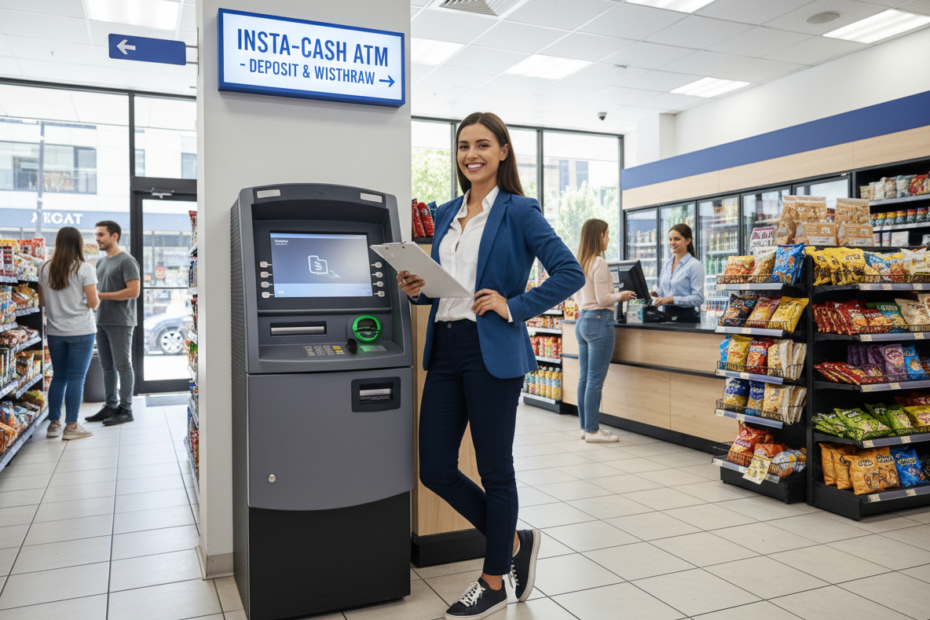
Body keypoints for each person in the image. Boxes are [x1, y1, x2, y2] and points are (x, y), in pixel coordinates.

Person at [398, 112, 584, 620]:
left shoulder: (520, 211)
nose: (471, 154)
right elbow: (446, 291)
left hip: (493, 353)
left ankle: (493, 579)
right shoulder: (444, 213)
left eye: (482, 144)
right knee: (435, 467)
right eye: (463, 146)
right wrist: (419, 290)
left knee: (495, 468)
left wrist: (513, 304)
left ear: (503, 151)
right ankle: (515, 542)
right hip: (446, 347)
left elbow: (570, 271)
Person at [574, 219, 635, 443]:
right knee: (595, 380)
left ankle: (585, 427)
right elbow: (603, 299)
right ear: (598, 236)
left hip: (582, 321)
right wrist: (622, 295)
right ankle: (592, 431)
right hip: (599, 321)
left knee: (584, 378)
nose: (608, 238)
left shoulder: (580, 262)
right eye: (607, 234)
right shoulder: (599, 262)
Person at [38, 227, 99, 440]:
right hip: (81, 331)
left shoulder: (45, 268)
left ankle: (53, 424)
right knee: (76, 378)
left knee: (59, 377)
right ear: (78, 244)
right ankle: (71, 427)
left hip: (55, 331)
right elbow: (93, 302)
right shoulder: (84, 269)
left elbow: (42, 302)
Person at [85, 221, 140, 426]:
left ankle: (126, 409)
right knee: (106, 366)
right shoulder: (101, 262)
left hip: (121, 322)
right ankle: (110, 406)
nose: (97, 239)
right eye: (96, 234)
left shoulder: (127, 261)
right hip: (102, 320)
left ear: (114, 236)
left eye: (101, 235)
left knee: (123, 365)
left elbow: (134, 292)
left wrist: (100, 295)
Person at [651, 223, 705, 323]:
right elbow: (664, 294)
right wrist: (656, 295)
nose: (672, 242)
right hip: (666, 317)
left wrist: (671, 299)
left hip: (687, 319)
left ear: (688, 241)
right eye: (670, 239)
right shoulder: (667, 264)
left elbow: (698, 299)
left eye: (677, 239)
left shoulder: (694, 265)